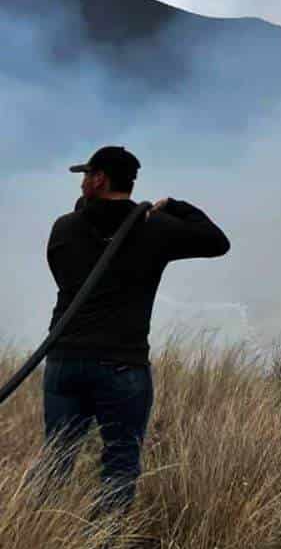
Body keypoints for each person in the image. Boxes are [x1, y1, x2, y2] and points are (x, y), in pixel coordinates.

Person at [40, 145, 230, 522]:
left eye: (86, 176)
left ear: (99, 179)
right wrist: (173, 206)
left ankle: (33, 541)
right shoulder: (154, 229)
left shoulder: (65, 227)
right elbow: (216, 241)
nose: (81, 184)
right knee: (120, 464)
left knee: (56, 458)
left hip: (64, 360)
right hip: (121, 367)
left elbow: (65, 265)